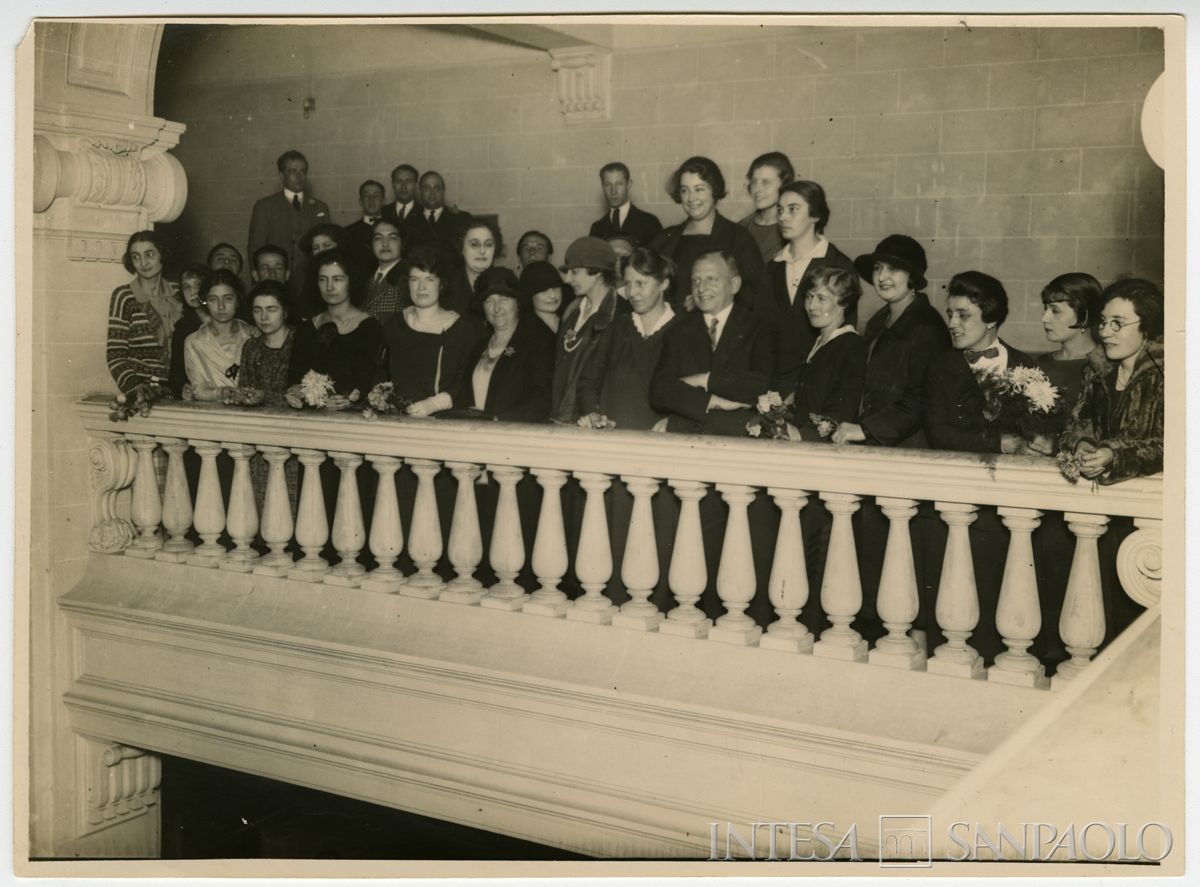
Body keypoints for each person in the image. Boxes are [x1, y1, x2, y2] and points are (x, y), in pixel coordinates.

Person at [832, 234, 951, 448]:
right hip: (875, 440)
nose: (882, 277)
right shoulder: (880, 321)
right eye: (878, 268)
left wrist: (867, 429)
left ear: (911, 276)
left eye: (893, 269)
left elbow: (921, 401)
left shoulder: (927, 327)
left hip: (908, 446)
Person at [649, 250, 774, 436]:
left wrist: (702, 380)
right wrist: (712, 401)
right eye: (696, 280)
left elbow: (759, 385)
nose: (701, 288)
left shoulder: (759, 327)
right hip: (689, 435)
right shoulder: (678, 331)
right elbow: (659, 392)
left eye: (711, 279)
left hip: (740, 437)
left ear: (734, 284)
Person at [751, 180, 855, 393]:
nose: (782, 217)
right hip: (774, 387)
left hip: (819, 387)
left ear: (815, 215)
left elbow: (844, 340)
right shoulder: (773, 267)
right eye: (780, 210)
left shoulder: (839, 264)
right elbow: (763, 332)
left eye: (793, 210)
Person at [1059, 278, 1164, 483]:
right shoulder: (1097, 371)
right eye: (1104, 322)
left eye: (1118, 323)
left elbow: (1175, 447)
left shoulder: (1166, 375)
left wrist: (1113, 454)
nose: (1105, 332)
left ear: (1147, 326)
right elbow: (1074, 427)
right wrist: (1082, 445)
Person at [923, 270, 1037, 454]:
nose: (952, 323)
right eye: (950, 314)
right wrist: (996, 443)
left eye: (963, 315)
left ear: (991, 319)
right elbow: (937, 433)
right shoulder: (940, 367)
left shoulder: (1024, 364)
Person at [578, 248, 680, 431]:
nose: (632, 292)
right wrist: (593, 414)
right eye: (628, 284)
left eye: (641, 283)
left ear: (663, 284)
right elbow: (588, 382)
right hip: (615, 437)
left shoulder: (684, 329)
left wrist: (674, 422)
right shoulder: (617, 326)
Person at [381, 243, 486, 417]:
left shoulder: (461, 329)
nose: (421, 287)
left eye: (430, 279)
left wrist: (434, 404)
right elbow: (381, 374)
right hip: (396, 418)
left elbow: (465, 381)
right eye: (415, 279)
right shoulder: (395, 324)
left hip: (442, 420)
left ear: (442, 284)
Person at [649, 156, 763, 310]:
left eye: (699, 189)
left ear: (714, 190)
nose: (691, 198)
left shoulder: (739, 237)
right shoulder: (663, 239)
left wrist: (710, 300)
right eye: (684, 190)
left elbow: (755, 293)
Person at [452, 268, 554, 422]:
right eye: (489, 300)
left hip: (514, 436)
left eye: (504, 299)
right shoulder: (478, 347)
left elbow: (541, 401)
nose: (496, 307)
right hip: (476, 434)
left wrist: (497, 419)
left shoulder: (537, 344)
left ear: (517, 303)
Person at [287, 249, 383, 403]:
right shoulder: (307, 328)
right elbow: (295, 377)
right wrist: (296, 392)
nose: (329, 287)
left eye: (337, 279)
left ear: (351, 281)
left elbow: (369, 379)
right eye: (323, 279)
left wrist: (351, 397)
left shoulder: (369, 327)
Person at [550, 237, 621, 424]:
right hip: (560, 417)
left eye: (575, 272)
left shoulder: (619, 316)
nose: (567, 279)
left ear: (597, 272)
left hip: (591, 421)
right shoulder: (573, 311)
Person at [792, 266, 867, 441]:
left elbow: (842, 412)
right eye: (809, 296)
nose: (811, 305)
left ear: (844, 302)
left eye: (821, 298)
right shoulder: (819, 343)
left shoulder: (851, 346)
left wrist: (802, 435)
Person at [106, 229, 182, 396]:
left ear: (162, 254)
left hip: (179, 390)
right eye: (136, 256)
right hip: (143, 391)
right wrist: (136, 389)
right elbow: (115, 355)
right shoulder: (124, 296)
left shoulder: (178, 292)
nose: (143, 262)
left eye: (149, 254)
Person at [247, 149, 331, 280]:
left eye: (303, 171)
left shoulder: (320, 207)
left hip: (311, 281)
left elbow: (328, 250)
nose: (299, 176)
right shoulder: (265, 206)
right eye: (293, 171)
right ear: (281, 175)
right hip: (276, 280)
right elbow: (255, 248)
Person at [1036, 272, 1105, 427]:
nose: (1044, 318)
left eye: (1055, 310)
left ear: (1083, 315)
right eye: (1045, 309)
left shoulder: (1103, 367)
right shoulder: (1043, 363)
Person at [183, 269, 257, 403]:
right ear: (205, 302)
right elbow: (198, 390)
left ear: (238, 300)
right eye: (213, 299)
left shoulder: (251, 336)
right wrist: (221, 393)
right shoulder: (194, 342)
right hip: (213, 416)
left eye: (228, 298)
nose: (221, 306)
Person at [239, 280, 296, 406]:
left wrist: (264, 397)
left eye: (271, 309)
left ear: (285, 311)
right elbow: (244, 389)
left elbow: (309, 397)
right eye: (257, 310)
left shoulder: (300, 343)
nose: (264, 317)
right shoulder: (251, 347)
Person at [588, 161, 663, 247]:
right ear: (602, 186)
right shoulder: (596, 228)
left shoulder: (650, 222)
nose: (613, 191)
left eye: (619, 184)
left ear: (629, 184)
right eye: (607, 184)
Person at [737, 151, 794, 263]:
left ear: (784, 184)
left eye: (766, 183)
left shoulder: (795, 229)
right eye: (754, 182)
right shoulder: (741, 227)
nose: (757, 189)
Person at [168, 263, 211, 398]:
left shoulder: (226, 317)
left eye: (197, 285)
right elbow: (176, 371)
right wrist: (182, 387)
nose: (192, 292)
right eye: (186, 287)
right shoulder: (182, 328)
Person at [445, 218, 503, 317]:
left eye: (488, 245)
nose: (482, 251)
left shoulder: (505, 282)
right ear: (461, 249)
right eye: (474, 244)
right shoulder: (447, 285)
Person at [296, 223, 351, 319]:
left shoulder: (350, 273)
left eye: (326, 245)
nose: (321, 251)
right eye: (316, 248)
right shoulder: (310, 279)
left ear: (339, 246)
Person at [405, 170, 469, 253]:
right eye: (426, 188)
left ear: (443, 190)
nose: (432, 193)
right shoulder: (409, 221)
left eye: (437, 188)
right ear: (420, 191)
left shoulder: (461, 219)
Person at [361, 219, 406, 318]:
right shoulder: (368, 279)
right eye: (378, 238)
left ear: (402, 243)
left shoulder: (407, 278)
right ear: (371, 245)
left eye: (392, 237)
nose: (385, 243)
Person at [343, 179, 387, 272]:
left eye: (377, 195)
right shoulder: (347, 232)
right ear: (360, 201)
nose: (371, 200)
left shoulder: (394, 229)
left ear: (383, 201)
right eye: (367, 196)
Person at [519, 261, 567, 335]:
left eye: (555, 287)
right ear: (529, 295)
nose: (553, 295)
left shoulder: (571, 321)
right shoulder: (524, 332)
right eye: (544, 290)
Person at [381, 163, 421, 228]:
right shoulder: (382, 212)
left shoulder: (425, 213)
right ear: (393, 184)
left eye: (408, 181)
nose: (403, 186)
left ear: (415, 184)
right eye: (399, 181)